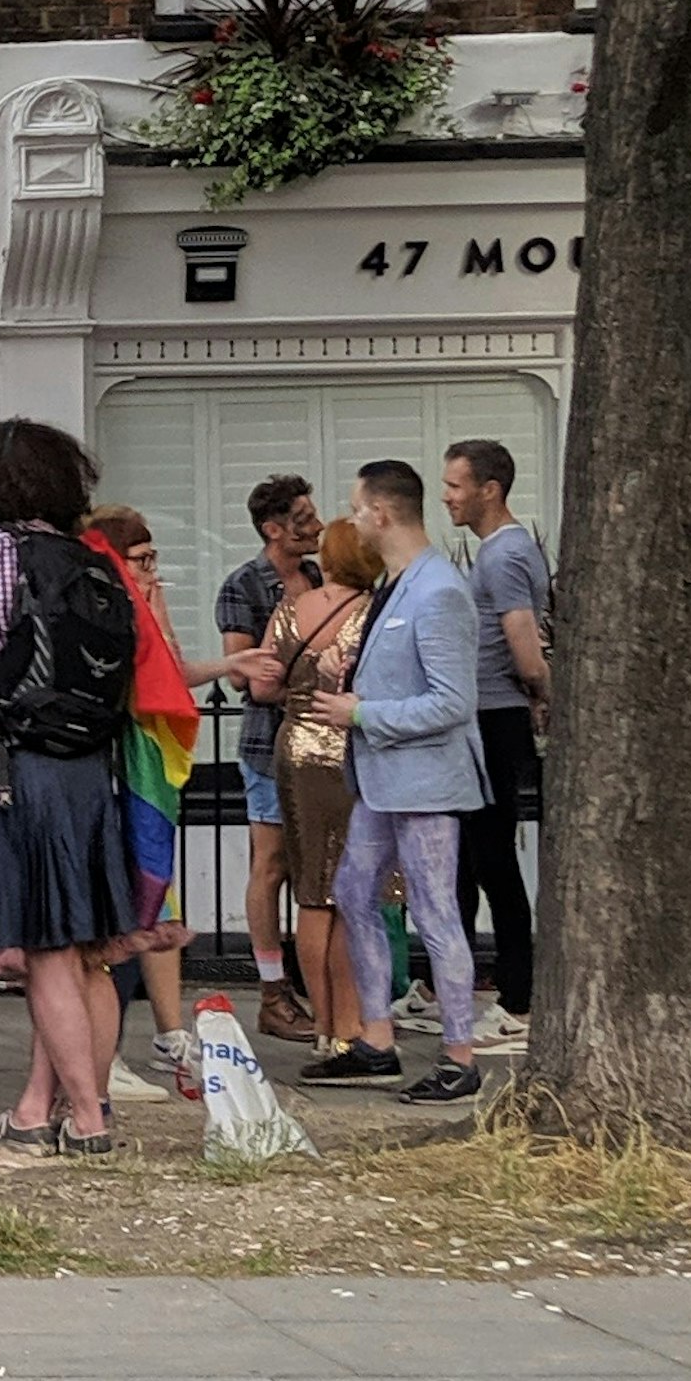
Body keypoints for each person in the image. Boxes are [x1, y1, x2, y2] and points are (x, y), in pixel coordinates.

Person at [0, 416, 140, 1160]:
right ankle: (36, 1106)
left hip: (17, 767)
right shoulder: (93, 559)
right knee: (83, 951)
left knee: (46, 952)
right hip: (90, 769)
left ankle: (86, 1119)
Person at [303, 457, 486, 1105]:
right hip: (384, 777)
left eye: (356, 507)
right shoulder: (398, 584)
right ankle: (377, 1039)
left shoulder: (437, 589)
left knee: (436, 911)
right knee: (354, 892)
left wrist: (362, 711)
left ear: (381, 512)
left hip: (427, 781)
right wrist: (356, 675)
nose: (352, 519)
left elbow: (452, 702)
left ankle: (460, 1054)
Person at [87, 506, 275, 1099]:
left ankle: (169, 1035)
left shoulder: (142, 604)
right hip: (123, 775)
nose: (151, 571)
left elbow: (170, 675)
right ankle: (105, 1048)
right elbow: (141, 683)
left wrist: (227, 662)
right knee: (124, 909)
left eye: (154, 559)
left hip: (154, 779)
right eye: (140, 560)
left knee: (159, 905)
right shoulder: (103, 611)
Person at [441, 437, 551, 1048]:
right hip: (492, 714)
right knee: (477, 859)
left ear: (490, 489)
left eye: (455, 486)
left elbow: (523, 642)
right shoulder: (501, 551)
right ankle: (492, 991)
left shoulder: (502, 557)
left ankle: (519, 1000)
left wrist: (545, 692)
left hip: (492, 717)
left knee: (492, 861)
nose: (447, 497)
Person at [270, 515, 384, 1057]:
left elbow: (261, 683)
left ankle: (322, 1025)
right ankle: (351, 1025)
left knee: (312, 893)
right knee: (352, 893)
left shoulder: (291, 608)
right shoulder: (372, 612)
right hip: (349, 748)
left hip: (294, 747)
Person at [218, 473, 324, 1039]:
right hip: (269, 746)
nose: (318, 527)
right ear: (274, 529)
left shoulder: (319, 578)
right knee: (273, 864)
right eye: (304, 519)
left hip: (326, 745)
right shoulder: (245, 586)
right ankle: (272, 991)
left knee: (318, 868)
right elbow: (245, 672)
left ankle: (321, 986)